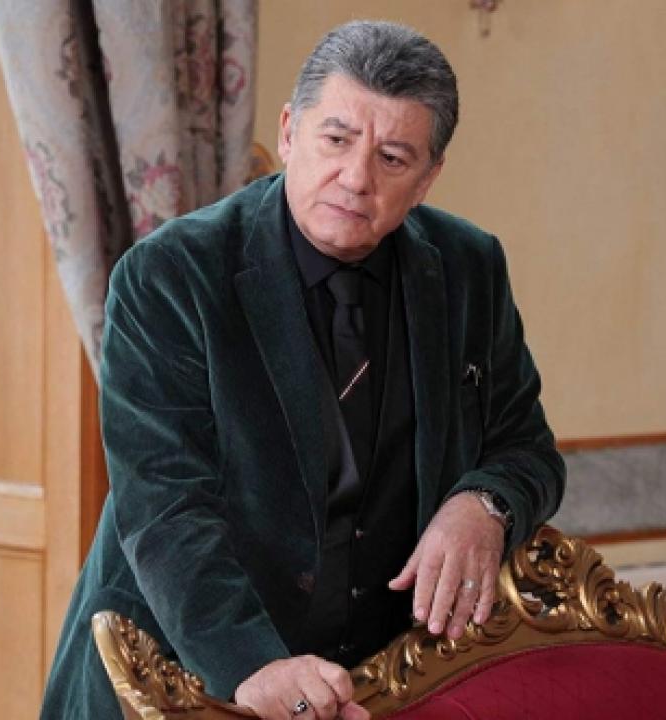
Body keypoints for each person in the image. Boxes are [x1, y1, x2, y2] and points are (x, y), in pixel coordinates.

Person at [40, 20, 566, 720]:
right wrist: (251, 664)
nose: (356, 178)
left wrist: (483, 504)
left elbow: (527, 449)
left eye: (392, 157)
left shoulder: (469, 267)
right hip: (174, 673)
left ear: (428, 177)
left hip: (373, 685)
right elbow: (165, 506)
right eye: (336, 140)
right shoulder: (169, 275)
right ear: (290, 132)